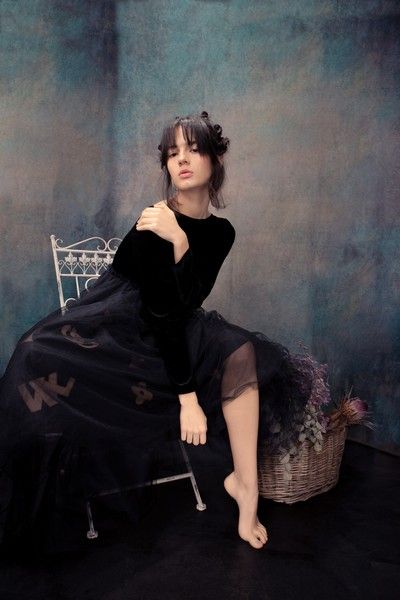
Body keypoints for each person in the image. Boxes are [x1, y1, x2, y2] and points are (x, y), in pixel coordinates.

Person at [0, 111, 313, 554]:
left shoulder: (220, 233)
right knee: (34, 353)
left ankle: (247, 486)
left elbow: (187, 302)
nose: (181, 159)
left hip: (176, 323)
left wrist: (181, 242)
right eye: (172, 152)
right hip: (121, 330)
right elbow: (160, 311)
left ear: (215, 160)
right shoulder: (153, 220)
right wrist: (188, 400)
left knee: (240, 350)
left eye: (193, 149)